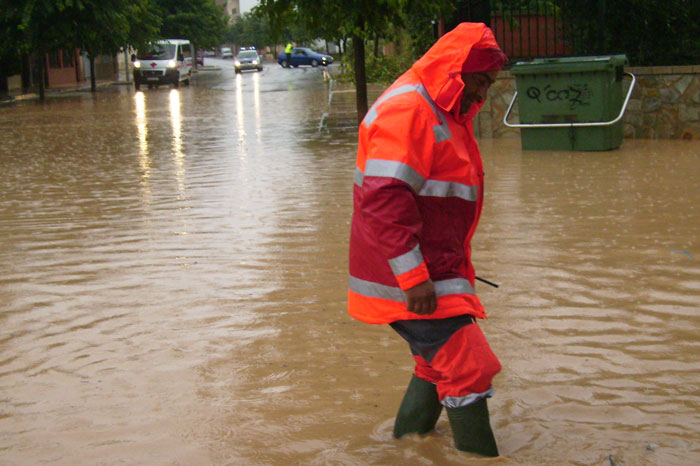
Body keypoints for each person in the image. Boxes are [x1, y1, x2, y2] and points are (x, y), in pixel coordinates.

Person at [347, 22, 507, 456]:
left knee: (438, 365)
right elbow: (383, 199)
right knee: (471, 368)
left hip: (433, 270)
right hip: (412, 277)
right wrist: (413, 276)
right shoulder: (412, 110)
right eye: (482, 81)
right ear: (459, 71)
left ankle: (404, 450)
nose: (484, 94)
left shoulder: (440, 107)